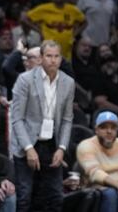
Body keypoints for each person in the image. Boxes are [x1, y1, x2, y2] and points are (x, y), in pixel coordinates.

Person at [9, 40, 75, 212]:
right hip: (27, 143)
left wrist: (62, 148)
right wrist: (28, 148)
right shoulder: (25, 80)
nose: (53, 60)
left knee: (55, 197)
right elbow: (17, 118)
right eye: (49, 56)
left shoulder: (68, 82)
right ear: (41, 58)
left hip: (52, 144)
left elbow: (67, 119)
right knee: (25, 197)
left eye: (56, 56)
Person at [22, 0, 86, 60]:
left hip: (66, 51)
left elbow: (85, 22)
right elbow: (25, 19)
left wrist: (74, 34)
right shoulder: (44, 9)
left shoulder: (73, 10)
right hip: (48, 50)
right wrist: (39, 31)